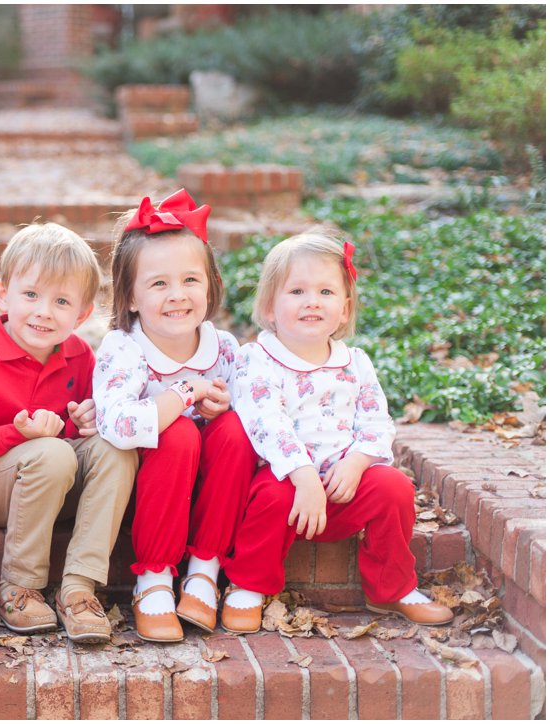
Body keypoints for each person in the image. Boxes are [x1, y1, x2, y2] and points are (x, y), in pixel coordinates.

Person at [222, 230, 454, 633]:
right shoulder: (256, 359)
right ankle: (249, 584)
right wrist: (303, 475)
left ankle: (391, 589)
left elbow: (376, 420)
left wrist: (358, 462)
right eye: (297, 290)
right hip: (285, 483)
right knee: (272, 497)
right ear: (270, 307)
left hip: (344, 487)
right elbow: (266, 421)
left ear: (344, 310)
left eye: (326, 292)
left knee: (393, 487)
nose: (312, 301)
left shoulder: (355, 362)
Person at [0, 222, 138, 645]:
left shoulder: (81, 355)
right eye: (30, 295)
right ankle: (18, 586)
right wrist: (17, 433)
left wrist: (87, 421)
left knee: (115, 449)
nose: (43, 312)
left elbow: (78, 431)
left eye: (61, 301)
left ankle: (79, 588)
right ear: (2, 294)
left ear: (82, 314)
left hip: (57, 486)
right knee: (51, 452)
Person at [92, 189, 258, 642]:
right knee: (179, 433)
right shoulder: (124, 349)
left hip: (213, 492)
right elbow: (119, 427)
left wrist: (225, 404)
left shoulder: (222, 346)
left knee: (236, 429)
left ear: (210, 285)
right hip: (152, 495)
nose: (178, 295)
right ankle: (154, 580)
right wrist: (184, 393)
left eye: (191, 280)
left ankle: (205, 570)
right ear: (129, 296)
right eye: (159, 283)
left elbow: (260, 415)